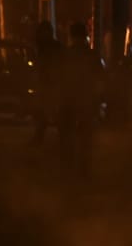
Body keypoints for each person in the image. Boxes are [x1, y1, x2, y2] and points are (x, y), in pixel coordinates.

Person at [61, 21, 104, 170]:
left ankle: (72, 166)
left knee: (71, 136)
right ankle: (83, 166)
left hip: (73, 101)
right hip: (85, 101)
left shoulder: (67, 55)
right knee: (85, 137)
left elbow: (60, 79)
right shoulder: (91, 55)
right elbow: (100, 78)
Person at [30, 20, 66, 146]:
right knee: (42, 113)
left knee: (55, 114)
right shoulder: (42, 48)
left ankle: (62, 140)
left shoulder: (53, 48)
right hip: (46, 85)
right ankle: (41, 137)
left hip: (53, 85)